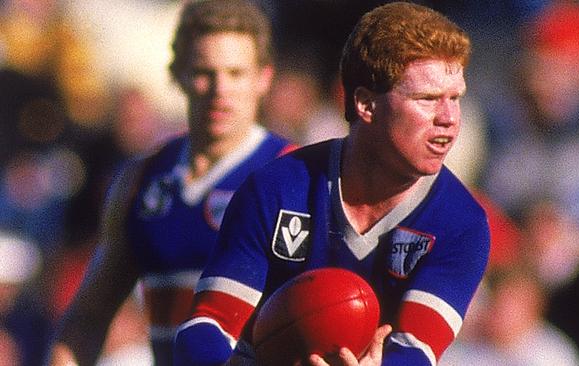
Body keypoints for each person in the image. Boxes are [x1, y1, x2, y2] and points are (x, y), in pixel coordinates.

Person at [174, 2, 490, 365]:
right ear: (366, 105)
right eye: (428, 99)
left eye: (455, 98)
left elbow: (415, 352)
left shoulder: (462, 224)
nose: (449, 118)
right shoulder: (276, 189)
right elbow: (206, 326)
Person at [48, 1, 293, 365]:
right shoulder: (140, 181)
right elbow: (88, 317)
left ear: (264, 78)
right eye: (203, 72)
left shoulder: (294, 173)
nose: (219, 89)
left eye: (236, 73)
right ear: (177, 74)